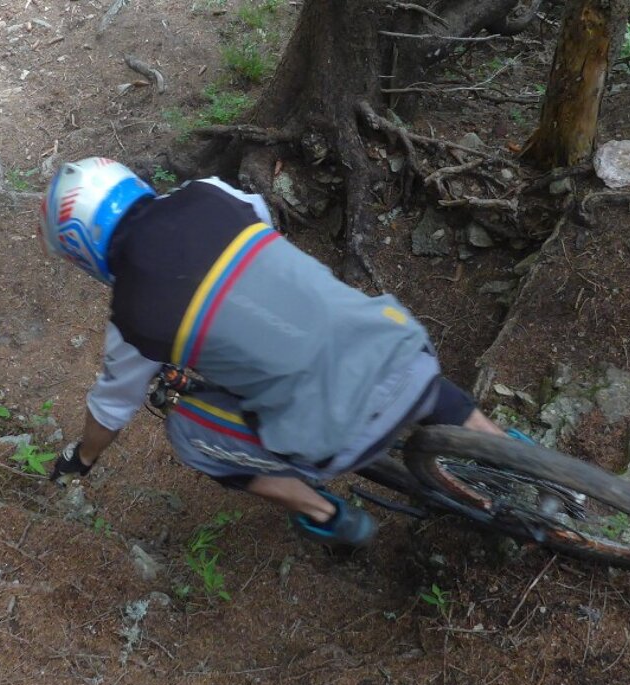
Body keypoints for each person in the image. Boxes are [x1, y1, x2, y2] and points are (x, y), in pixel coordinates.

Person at [40, 157, 506, 548]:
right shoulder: (213, 194)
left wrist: (82, 458)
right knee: (373, 342)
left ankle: (326, 515)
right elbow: (261, 230)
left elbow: (112, 407)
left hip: (336, 437)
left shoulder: (133, 319)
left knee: (186, 434)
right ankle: (508, 454)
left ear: (83, 249)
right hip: (403, 351)